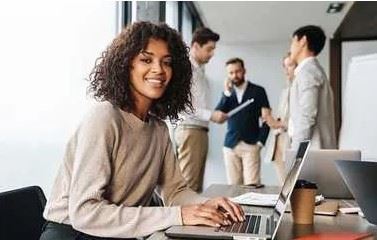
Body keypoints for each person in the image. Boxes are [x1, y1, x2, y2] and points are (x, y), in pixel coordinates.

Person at [39, 22, 244, 240]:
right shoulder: (104, 118)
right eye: (146, 60)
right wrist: (177, 215)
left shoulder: (159, 129)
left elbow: (175, 191)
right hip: (74, 233)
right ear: (127, 65)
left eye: (167, 62)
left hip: (117, 232)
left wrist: (205, 204)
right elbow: (84, 212)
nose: (159, 69)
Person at [174, 27, 226, 192]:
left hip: (198, 130)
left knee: (195, 185)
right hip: (191, 130)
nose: (212, 54)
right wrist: (211, 115)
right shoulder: (187, 70)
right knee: (189, 186)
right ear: (195, 46)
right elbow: (182, 106)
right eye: (209, 49)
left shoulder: (199, 71)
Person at [215, 57, 270, 185]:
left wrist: (261, 142)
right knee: (233, 187)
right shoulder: (228, 94)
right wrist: (226, 93)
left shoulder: (258, 91)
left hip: (251, 145)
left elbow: (267, 118)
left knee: (252, 185)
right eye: (231, 73)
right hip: (230, 145)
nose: (235, 75)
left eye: (238, 71)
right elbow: (218, 115)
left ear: (244, 71)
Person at [288, 25, 337, 150]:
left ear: (303, 41)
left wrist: (296, 152)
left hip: (311, 151)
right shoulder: (312, 70)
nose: (291, 47)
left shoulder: (308, 72)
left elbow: (307, 116)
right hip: (314, 150)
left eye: (293, 42)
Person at [264, 53, 297, 184]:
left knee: (291, 186)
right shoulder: (286, 89)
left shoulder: (300, 89)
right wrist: (270, 119)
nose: (286, 70)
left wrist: (278, 124)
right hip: (278, 141)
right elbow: (284, 117)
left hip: (291, 141)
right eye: (285, 66)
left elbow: (301, 121)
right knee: (283, 186)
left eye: (290, 65)